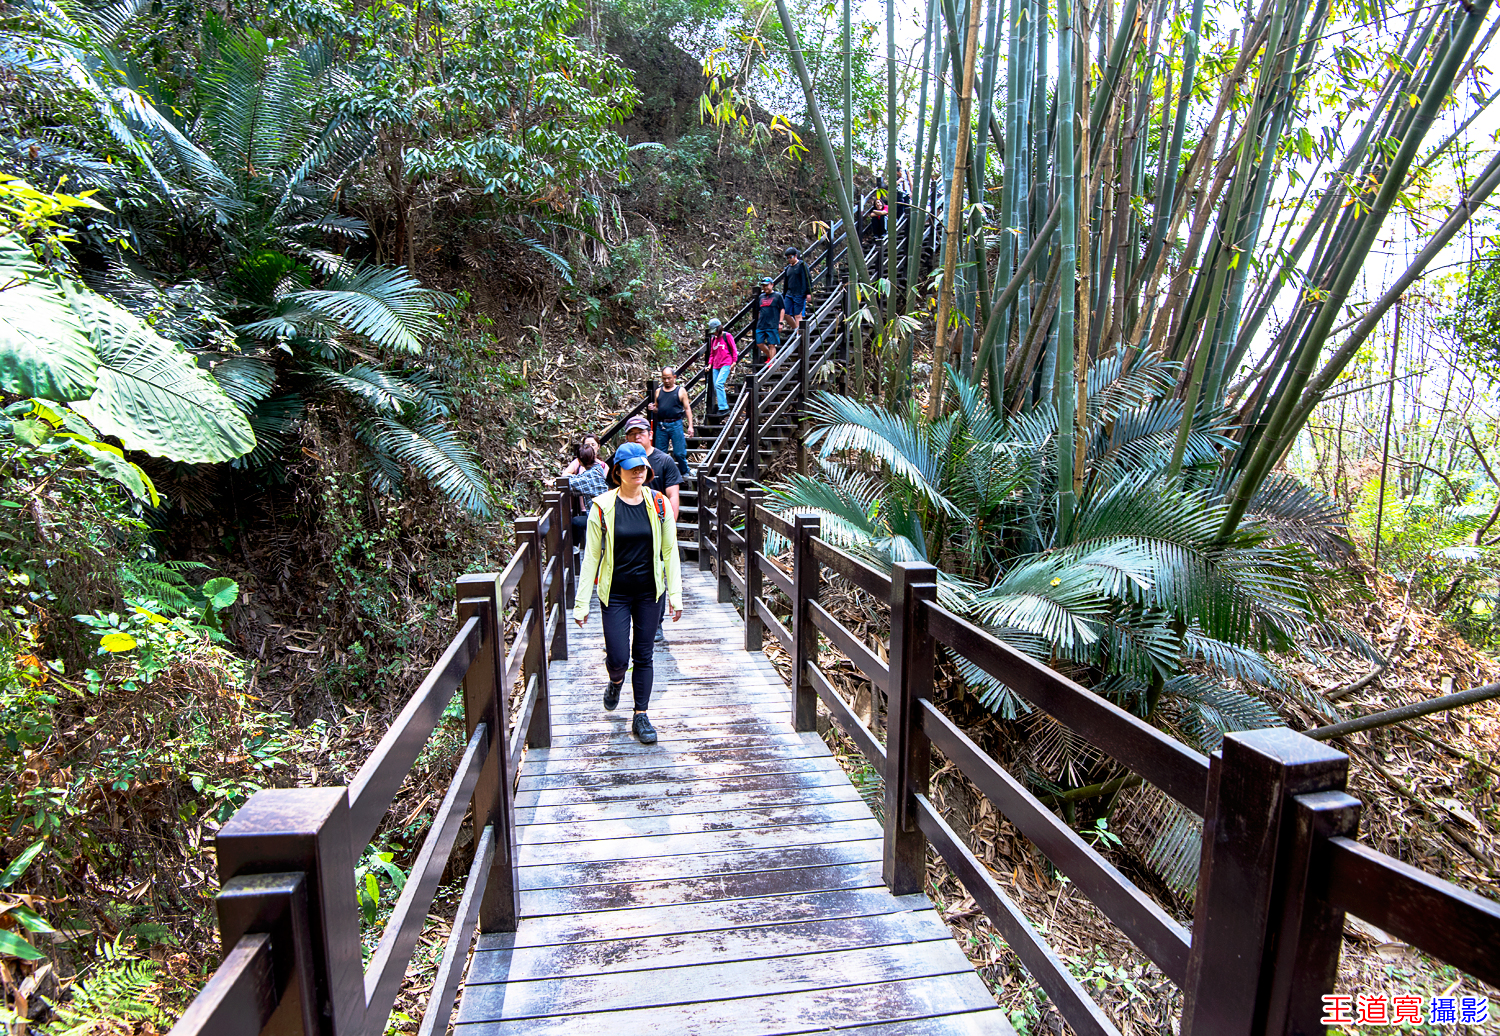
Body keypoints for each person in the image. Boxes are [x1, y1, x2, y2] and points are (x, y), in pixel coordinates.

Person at [573, 442, 683, 745]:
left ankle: (641, 715)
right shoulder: (602, 507)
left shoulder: (659, 504)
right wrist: (582, 603)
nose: (639, 471)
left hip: (650, 593)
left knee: (644, 655)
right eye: (632, 467)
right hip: (616, 594)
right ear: (617, 471)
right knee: (620, 657)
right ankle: (615, 680)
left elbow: (670, 551)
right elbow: (591, 557)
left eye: (642, 467)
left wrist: (675, 594)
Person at [622, 414, 683, 643]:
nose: (637, 437)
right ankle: (628, 622)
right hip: (627, 531)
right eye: (631, 434)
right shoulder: (621, 463)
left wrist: (670, 525)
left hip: (656, 528)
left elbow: (673, 494)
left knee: (657, 575)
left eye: (641, 433)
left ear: (650, 435)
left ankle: (655, 624)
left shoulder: (664, 461)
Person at [646, 366, 694, 478]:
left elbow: (687, 408)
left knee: (679, 452)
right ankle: (661, 474)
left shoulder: (680, 391)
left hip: (675, 423)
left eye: (669, 378)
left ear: (674, 377)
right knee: (660, 452)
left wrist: (690, 426)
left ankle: (684, 471)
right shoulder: (658, 391)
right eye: (664, 378)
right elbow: (658, 408)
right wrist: (652, 408)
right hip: (662, 425)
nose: (666, 381)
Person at [567, 442, 608, 548]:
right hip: (603, 515)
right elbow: (578, 484)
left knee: (575, 522)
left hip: (601, 518)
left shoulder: (590, 475)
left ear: (580, 462)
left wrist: (553, 483)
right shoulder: (598, 469)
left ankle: (574, 549)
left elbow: (571, 483)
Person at [706, 318, 737, 414]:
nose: (714, 333)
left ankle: (723, 407)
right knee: (716, 386)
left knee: (719, 384)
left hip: (726, 363)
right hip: (716, 365)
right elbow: (712, 353)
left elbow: (733, 349)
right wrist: (709, 365)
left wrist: (734, 362)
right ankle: (722, 406)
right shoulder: (713, 339)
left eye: (715, 330)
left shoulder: (727, 336)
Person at [754, 276, 784, 368]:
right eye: (763, 286)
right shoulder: (761, 297)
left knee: (771, 344)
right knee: (759, 343)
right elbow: (759, 310)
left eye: (767, 285)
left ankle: (772, 363)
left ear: (772, 285)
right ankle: (771, 357)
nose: (765, 287)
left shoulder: (778, 296)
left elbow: (782, 309)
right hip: (761, 324)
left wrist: (780, 322)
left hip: (772, 324)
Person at [780, 247, 811, 337]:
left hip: (800, 293)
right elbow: (786, 283)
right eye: (787, 258)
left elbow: (808, 279)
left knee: (798, 314)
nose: (789, 259)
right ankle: (796, 329)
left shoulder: (802, 265)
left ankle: (799, 335)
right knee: (786, 313)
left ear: (795, 256)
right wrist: (784, 294)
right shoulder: (788, 268)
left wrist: (809, 293)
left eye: (791, 257)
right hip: (789, 293)